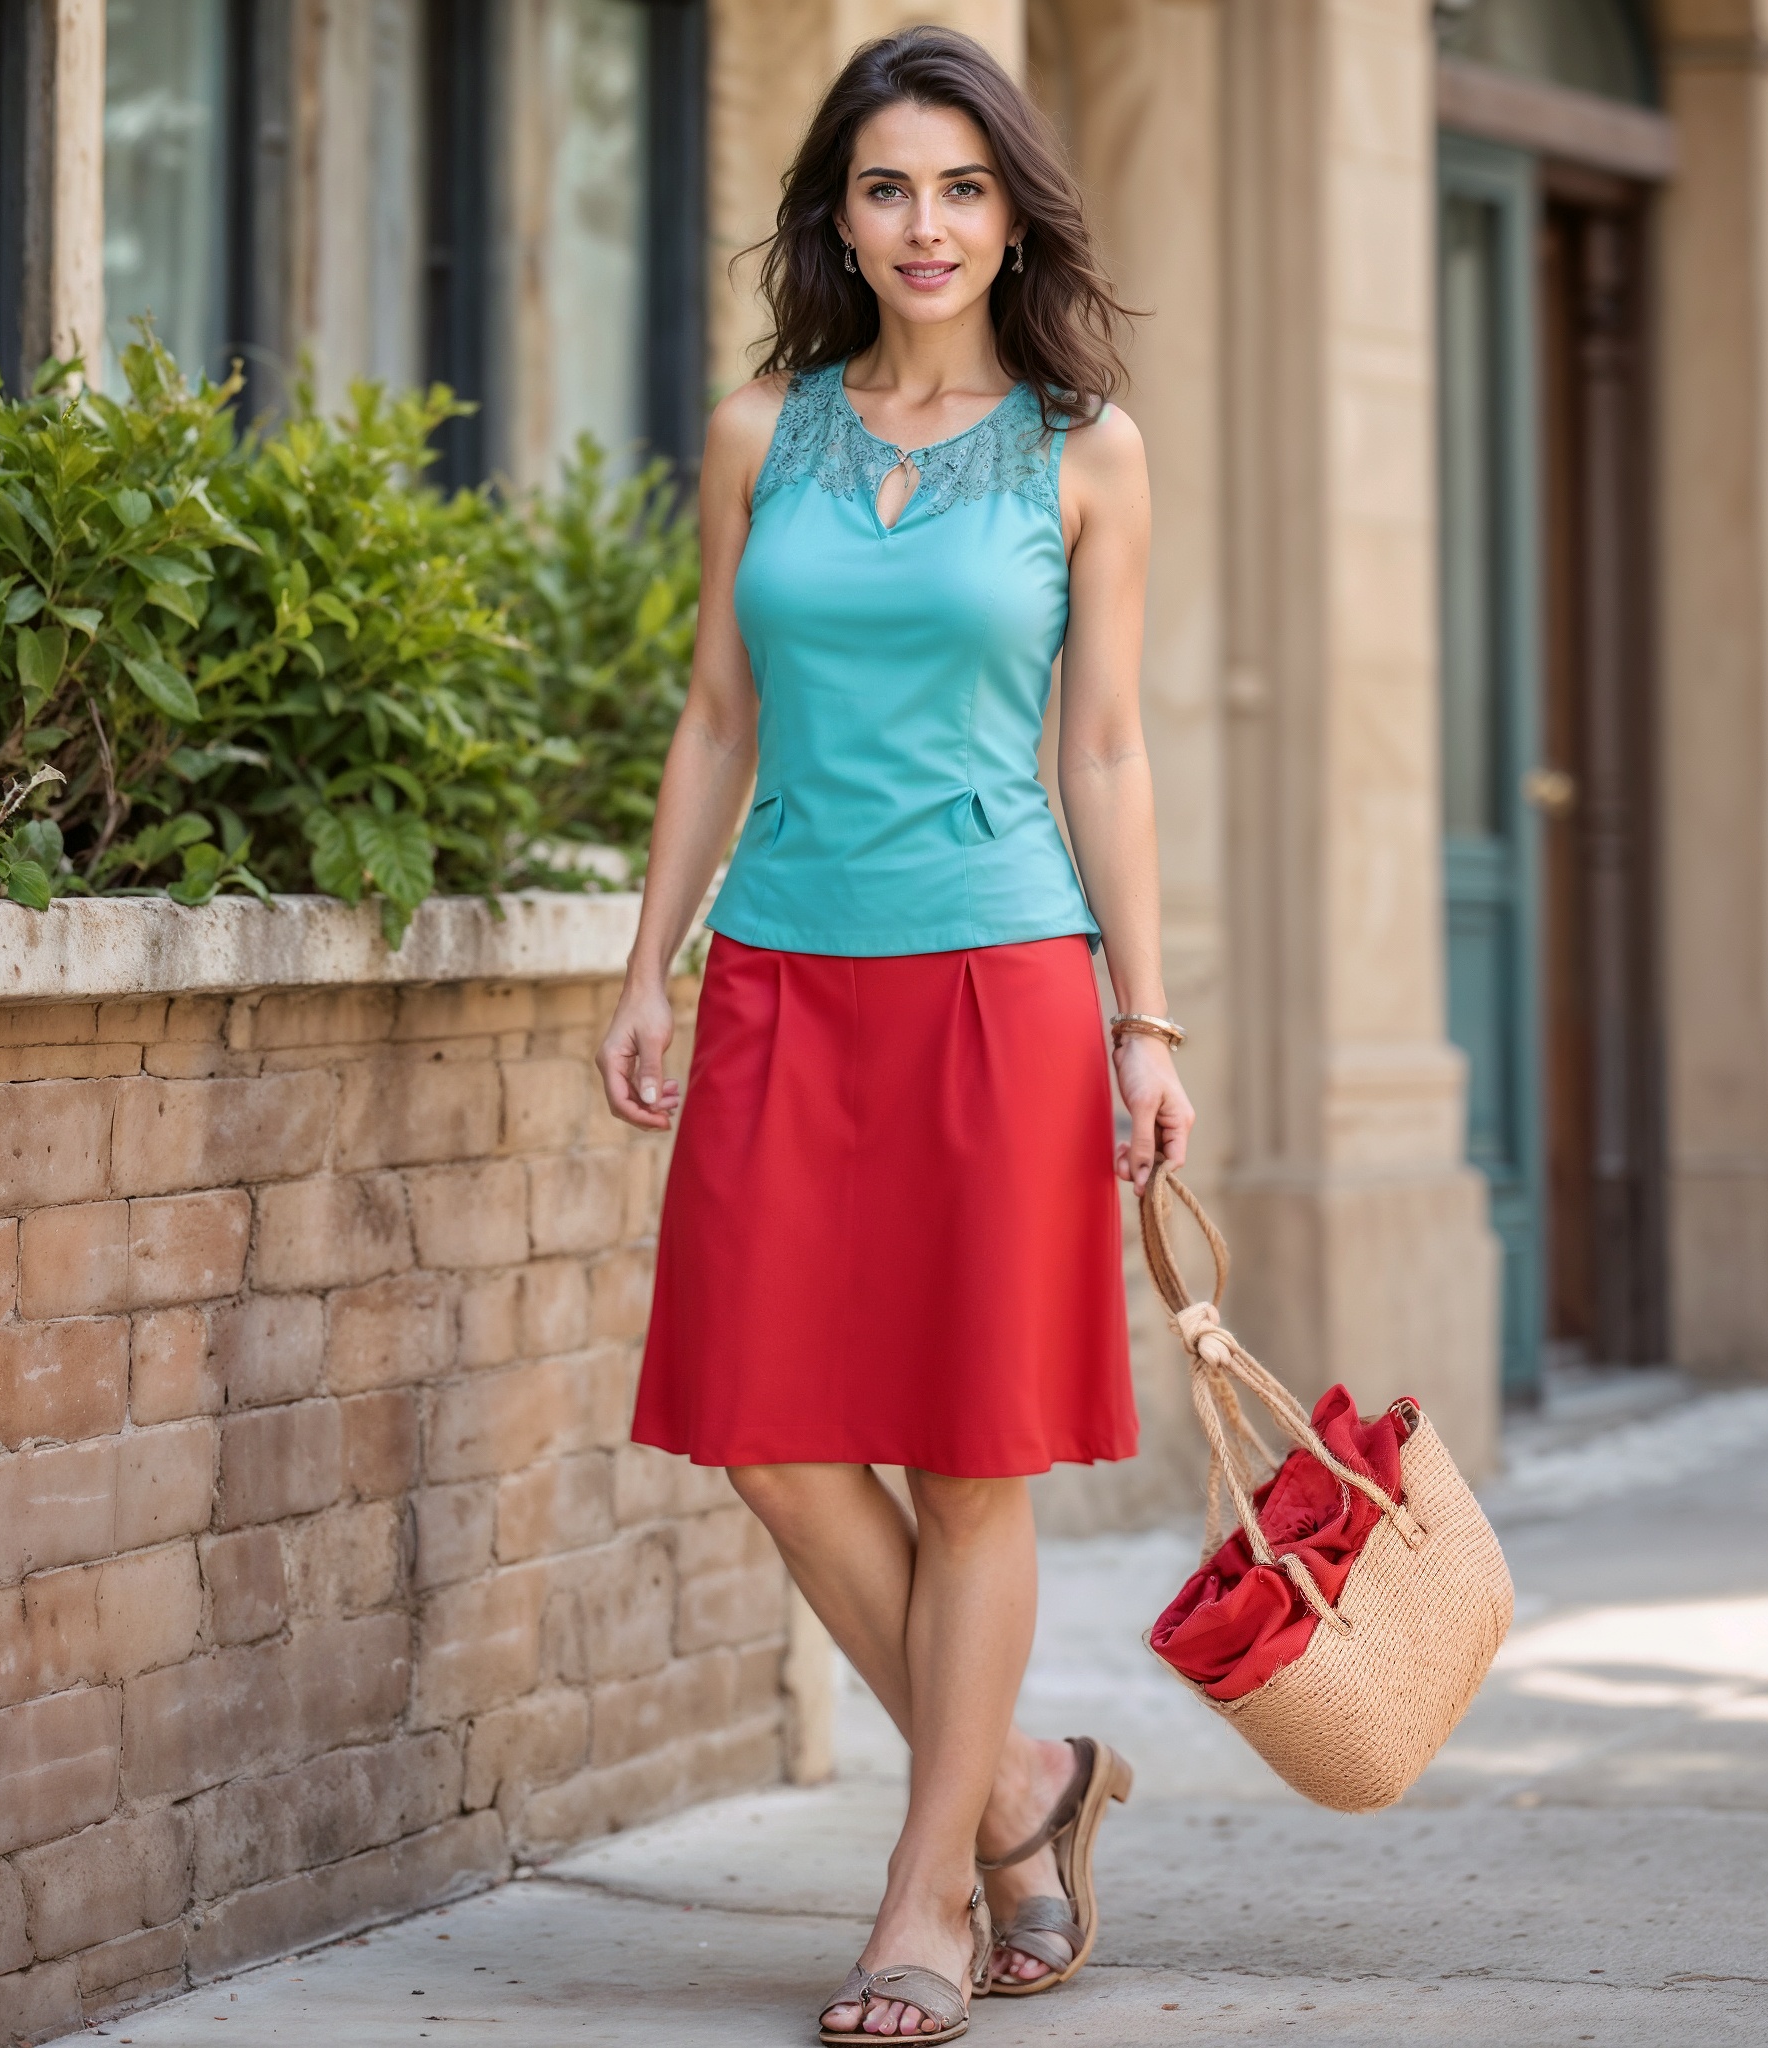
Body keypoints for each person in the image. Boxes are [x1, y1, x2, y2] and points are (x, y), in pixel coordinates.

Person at [596, 26, 1192, 2042]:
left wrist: (1148, 1018)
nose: (923, 224)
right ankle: (1020, 1780)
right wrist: (646, 959)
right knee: (762, 1429)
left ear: (1009, 204)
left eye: (957, 185)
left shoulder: (1081, 443)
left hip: (997, 983)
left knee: (972, 1455)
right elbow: (712, 712)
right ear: (833, 218)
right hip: (781, 970)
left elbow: (1103, 748)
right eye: (884, 187)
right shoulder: (760, 431)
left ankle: (925, 1889)